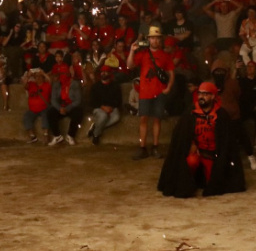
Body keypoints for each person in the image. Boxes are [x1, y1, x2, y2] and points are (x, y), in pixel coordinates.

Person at [157, 82, 246, 198]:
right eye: (200, 94)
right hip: (197, 153)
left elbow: (227, 142)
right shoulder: (190, 113)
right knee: (190, 162)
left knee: (213, 184)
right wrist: (191, 143)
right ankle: (190, 183)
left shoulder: (221, 115)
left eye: (205, 94)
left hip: (212, 156)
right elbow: (182, 135)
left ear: (213, 96)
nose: (201, 97)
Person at [127, 26, 175, 160]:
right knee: (143, 119)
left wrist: (169, 87)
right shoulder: (143, 54)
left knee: (157, 119)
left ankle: (155, 146)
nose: (154, 40)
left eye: (157, 38)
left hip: (159, 91)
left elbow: (171, 73)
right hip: (145, 92)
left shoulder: (165, 55)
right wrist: (132, 51)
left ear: (160, 40)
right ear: (149, 39)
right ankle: (142, 147)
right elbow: (130, 65)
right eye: (152, 38)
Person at [87, 63, 122, 145]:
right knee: (103, 116)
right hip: (99, 108)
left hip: (112, 108)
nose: (103, 73)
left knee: (116, 117)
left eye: (106, 72)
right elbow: (93, 101)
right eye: (102, 72)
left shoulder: (115, 86)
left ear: (109, 73)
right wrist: (103, 107)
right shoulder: (95, 86)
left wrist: (111, 107)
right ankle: (96, 135)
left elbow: (118, 100)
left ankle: (96, 126)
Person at [46, 70, 83, 146]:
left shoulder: (75, 84)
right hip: (61, 107)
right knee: (50, 112)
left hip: (71, 107)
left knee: (78, 113)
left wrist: (68, 108)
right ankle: (57, 136)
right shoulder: (56, 85)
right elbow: (53, 99)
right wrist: (60, 108)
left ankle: (70, 135)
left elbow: (78, 100)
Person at [21, 68, 51, 144]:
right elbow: (24, 84)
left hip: (43, 108)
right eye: (36, 77)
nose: (38, 78)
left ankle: (46, 135)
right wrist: (28, 76)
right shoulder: (31, 85)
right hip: (33, 109)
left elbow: (49, 81)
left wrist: (43, 73)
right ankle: (32, 136)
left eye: (39, 76)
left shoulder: (46, 85)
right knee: (26, 117)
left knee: (46, 116)